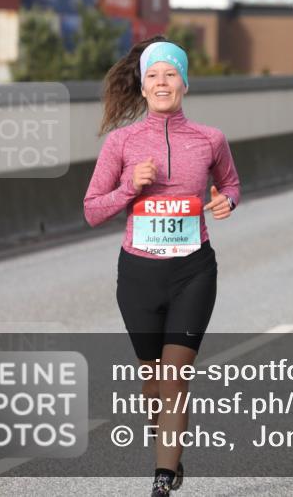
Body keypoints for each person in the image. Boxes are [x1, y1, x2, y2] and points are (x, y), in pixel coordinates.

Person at [84, 37, 241, 496]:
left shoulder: (211, 139)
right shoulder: (122, 142)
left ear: (184, 83)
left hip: (193, 272)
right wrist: (129, 187)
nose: (162, 82)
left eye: (171, 74)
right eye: (153, 75)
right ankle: (167, 450)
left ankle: (163, 479)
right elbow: (92, 210)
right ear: (143, 86)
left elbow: (231, 185)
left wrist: (227, 201)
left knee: (175, 379)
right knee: (154, 385)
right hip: (139, 275)